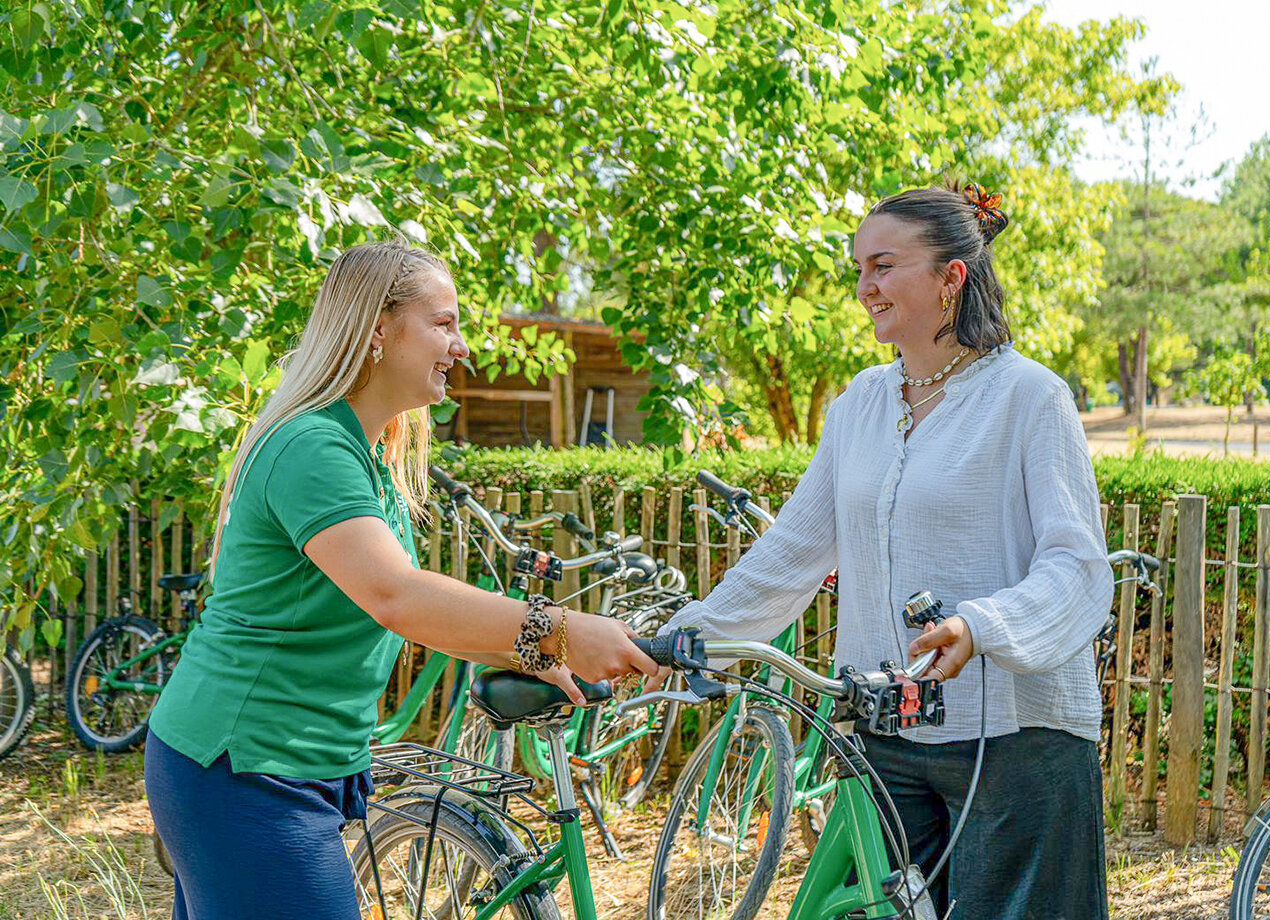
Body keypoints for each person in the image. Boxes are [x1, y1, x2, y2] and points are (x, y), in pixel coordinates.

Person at [145, 240, 657, 920]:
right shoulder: (312, 448)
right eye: (443, 323)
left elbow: (409, 605)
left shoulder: (367, 454)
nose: (462, 345)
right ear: (378, 328)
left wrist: (537, 650)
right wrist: (558, 630)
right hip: (244, 769)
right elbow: (396, 597)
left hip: (281, 767)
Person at [656, 184, 1113, 920]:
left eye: (883, 266)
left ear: (950, 277)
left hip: (1015, 740)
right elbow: (793, 551)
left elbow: (1078, 569)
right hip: (885, 730)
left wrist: (981, 627)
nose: (865, 287)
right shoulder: (860, 404)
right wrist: (688, 637)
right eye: (859, 269)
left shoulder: (1031, 397)